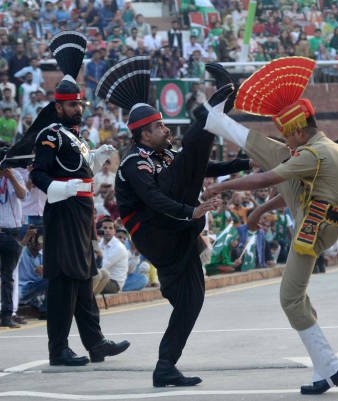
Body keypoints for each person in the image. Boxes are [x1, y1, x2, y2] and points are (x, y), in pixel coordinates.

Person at [201, 58, 338, 394]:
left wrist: (223, 185)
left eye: (288, 135)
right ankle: (325, 370)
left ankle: (330, 367)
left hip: (315, 227)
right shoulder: (322, 149)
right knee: (298, 298)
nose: (287, 141)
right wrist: (259, 212)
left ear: (300, 128)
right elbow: (293, 191)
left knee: (289, 298)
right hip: (318, 216)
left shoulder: (313, 155)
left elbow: (270, 178)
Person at [103, 57, 250, 387]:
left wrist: (245, 161)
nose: (167, 129)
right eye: (159, 127)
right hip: (157, 231)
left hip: (178, 232)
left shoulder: (164, 156)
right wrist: (192, 212)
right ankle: (211, 110)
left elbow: (201, 168)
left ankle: (165, 365)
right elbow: (155, 200)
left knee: (192, 301)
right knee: (190, 155)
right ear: (144, 134)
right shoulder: (132, 164)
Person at [26, 31, 130, 366]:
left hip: (82, 214)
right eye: (72, 105)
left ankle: (95, 343)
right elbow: (38, 175)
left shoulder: (75, 137)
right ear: (58, 106)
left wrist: (95, 159)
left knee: (84, 280)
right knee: (64, 283)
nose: (78, 109)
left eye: (80, 104)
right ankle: (58, 349)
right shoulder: (51, 135)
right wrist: (65, 187)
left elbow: (80, 169)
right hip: (63, 213)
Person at [0, 165, 26, 328]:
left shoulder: (15, 174)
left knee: (8, 276)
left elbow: (22, 194)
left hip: (12, 232)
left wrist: (10, 177)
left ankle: (7, 315)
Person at [18, 229, 47, 319]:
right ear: (30, 243)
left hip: (36, 288)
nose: (40, 245)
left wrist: (45, 269)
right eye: (38, 242)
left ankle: (44, 310)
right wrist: (27, 237)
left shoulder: (42, 255)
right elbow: (17, 250)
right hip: (23, 288)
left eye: (41, 243)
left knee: (52, 279)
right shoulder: (22, 252)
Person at [99, 217, 128, 294]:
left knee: (86, 283)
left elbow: (102, 266)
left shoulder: (119, 247)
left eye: (110, 228)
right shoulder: (99, 244)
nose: (107, 230)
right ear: (100, 230)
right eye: (105, 228)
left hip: (114, 283)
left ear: (114, 231)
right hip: (100, 278)